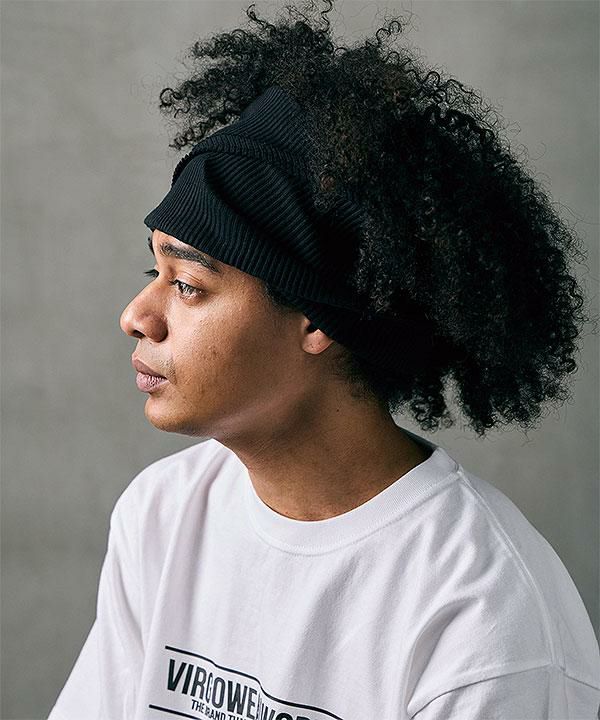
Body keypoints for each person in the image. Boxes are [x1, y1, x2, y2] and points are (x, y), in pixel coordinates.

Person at [48, 1, 600, 718]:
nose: (136, 316)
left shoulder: (484, 620)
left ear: (316, 320)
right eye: (154, 271)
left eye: (187, 285)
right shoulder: (162, 515)